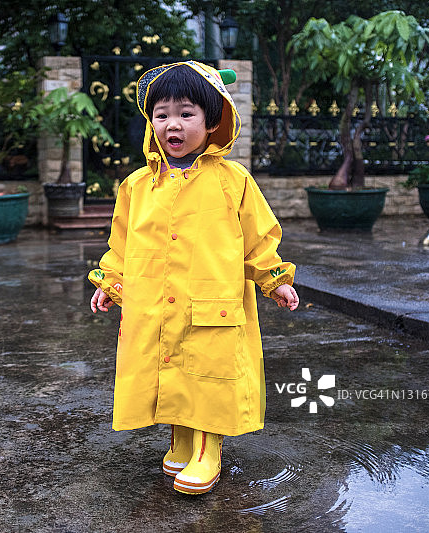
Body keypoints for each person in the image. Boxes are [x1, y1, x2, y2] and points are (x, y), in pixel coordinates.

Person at [87, 61, 299, 495]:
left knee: (207, 372)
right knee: (169, 370)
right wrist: (111, 281)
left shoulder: (232, 181)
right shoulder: (137, 185)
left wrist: (274, 277)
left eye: (186, 113)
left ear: (211, 119)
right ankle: (181, 439)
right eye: (162, 114)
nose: (173, 125)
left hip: (211, 302)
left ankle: (208, 449)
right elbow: (122, 242)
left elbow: (258, 237)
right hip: (156, 301)